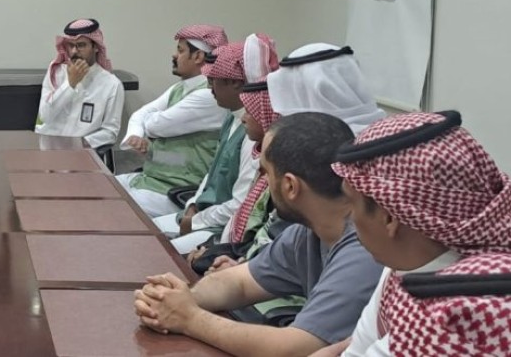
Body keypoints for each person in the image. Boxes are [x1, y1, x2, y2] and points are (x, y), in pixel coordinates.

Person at [133, 112, 383, 356]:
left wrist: (190, 318)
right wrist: (176, 299)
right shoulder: (308, 231)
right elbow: (240, 283)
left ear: (290, 186)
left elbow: (297, 347)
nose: (261, 182)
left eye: (264, 172)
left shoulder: (365, 249)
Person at [322, 111, 511, 356]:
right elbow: (358, 347)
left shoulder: (461, 312)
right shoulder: (406, 263)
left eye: (351, 203)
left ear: (389, 218)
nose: (349, 217)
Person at [152, 35, 278, 254]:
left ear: (235, 83)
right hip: (202, 212)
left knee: (156, 251)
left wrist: (195, 221)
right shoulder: (231, 117)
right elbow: (211, 175)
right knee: (144, 231)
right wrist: (192, 206)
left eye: (213, 80)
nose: (209, 87)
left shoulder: (253, 133)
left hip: (221, 228)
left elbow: (240, 204)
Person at [116, 24, 228, 216]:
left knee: (112, 208)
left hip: (178, 192)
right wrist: (136, 134)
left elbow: (156, 125)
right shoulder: (180, 88)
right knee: (100, 187)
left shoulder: (209, 94)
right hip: (150, 178)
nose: (174, 55)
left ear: (198, 56)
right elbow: (140, 114)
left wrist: (148, 124)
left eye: (180, 50)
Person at [34, 18, 124, 149]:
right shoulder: (56, 72)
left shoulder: (112, 84)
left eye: (81, 45)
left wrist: (80, 144)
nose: (74, 51)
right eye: (71, 45)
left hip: (82, 153)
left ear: (96, 47)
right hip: (48, 150)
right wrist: (70, 84)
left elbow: (110, 133)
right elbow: (45, 117)